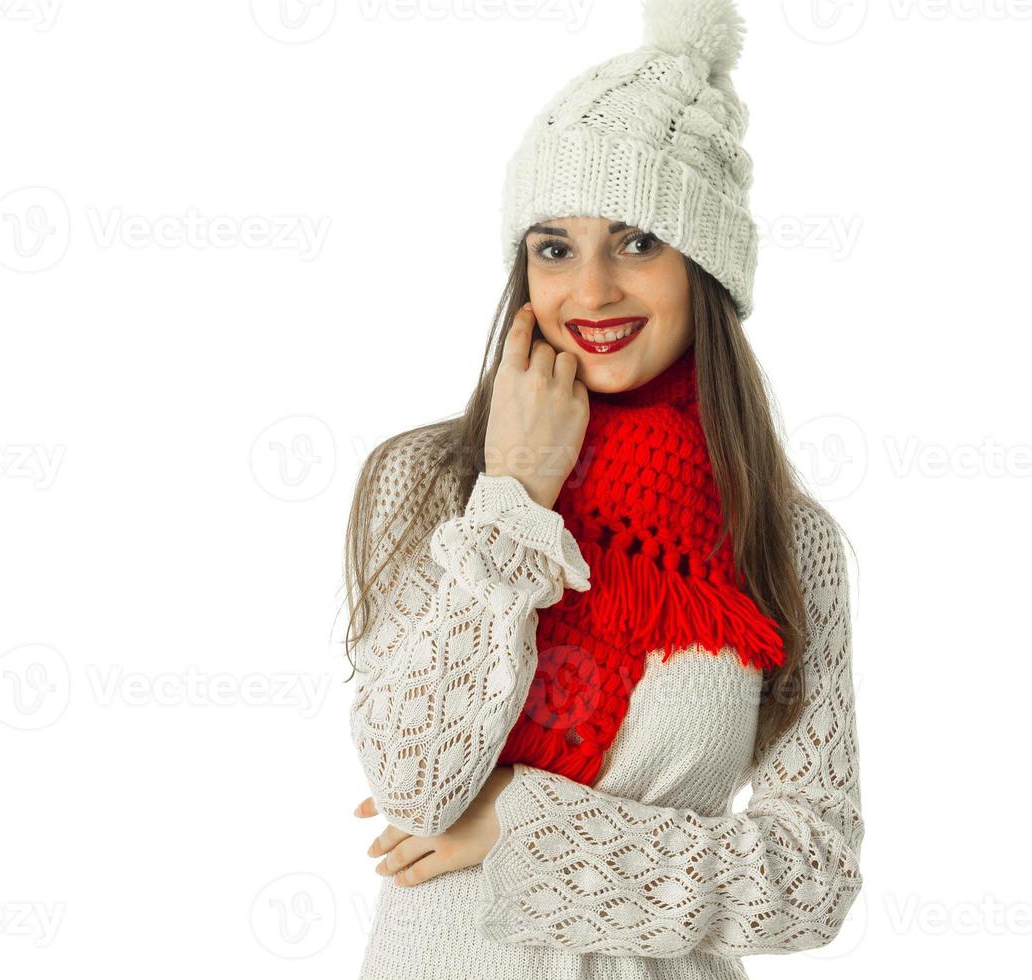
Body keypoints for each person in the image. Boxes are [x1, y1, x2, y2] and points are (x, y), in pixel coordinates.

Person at [342, 2, 863, 977]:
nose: (591, 291)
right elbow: (415, 784)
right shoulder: (429, 485)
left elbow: (807, 878)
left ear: (703, 263)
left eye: (636, 242)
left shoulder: (789, 540)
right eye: (554, 246)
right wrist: (515, 497)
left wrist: (524, 817)